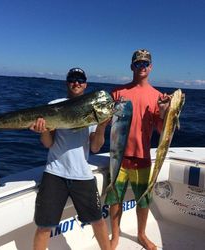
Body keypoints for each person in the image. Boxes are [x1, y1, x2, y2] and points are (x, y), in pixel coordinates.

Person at [30, 67, 111, 250]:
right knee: (44, 227)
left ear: (85, 85)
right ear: (67, 83)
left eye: (80, 80)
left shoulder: (93, 107)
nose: (76, 83)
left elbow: (95, 147)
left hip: (82, 174)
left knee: (98, 221)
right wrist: (43, 131)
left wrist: (102, 126)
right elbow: (48, 144)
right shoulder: (55, 104)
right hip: (54, 173)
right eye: (72, 79)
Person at [105, 49, 170, 250]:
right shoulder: (117, 93)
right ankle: (115, 236)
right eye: (138, 63)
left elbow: (161, 131)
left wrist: (164, 112)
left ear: (150, 67)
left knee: (143, 201)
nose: (141, 67)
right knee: (115, 199)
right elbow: (105, 122)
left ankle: (141, 235)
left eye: (145, 64)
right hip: (118, 157)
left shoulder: (158, 97)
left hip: (142, 158)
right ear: (131, 66)